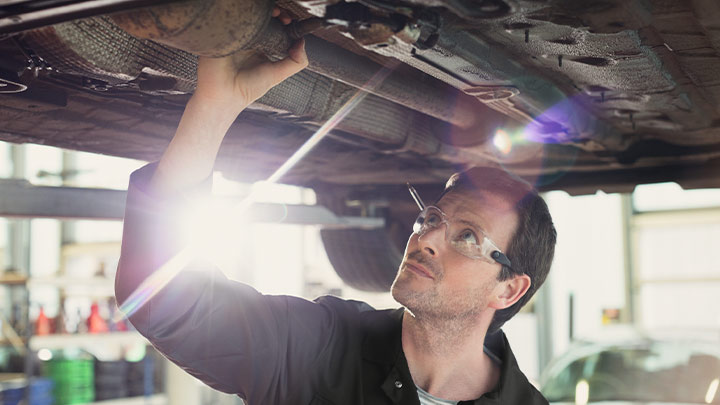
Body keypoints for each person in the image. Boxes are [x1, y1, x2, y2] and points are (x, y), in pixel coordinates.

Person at [115, 11, 557, 405]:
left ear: (509, 290)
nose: (426, 237)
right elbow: (165, 301)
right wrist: (214, 106)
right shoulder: (320, 347)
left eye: (467, 237)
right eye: (432, 218)